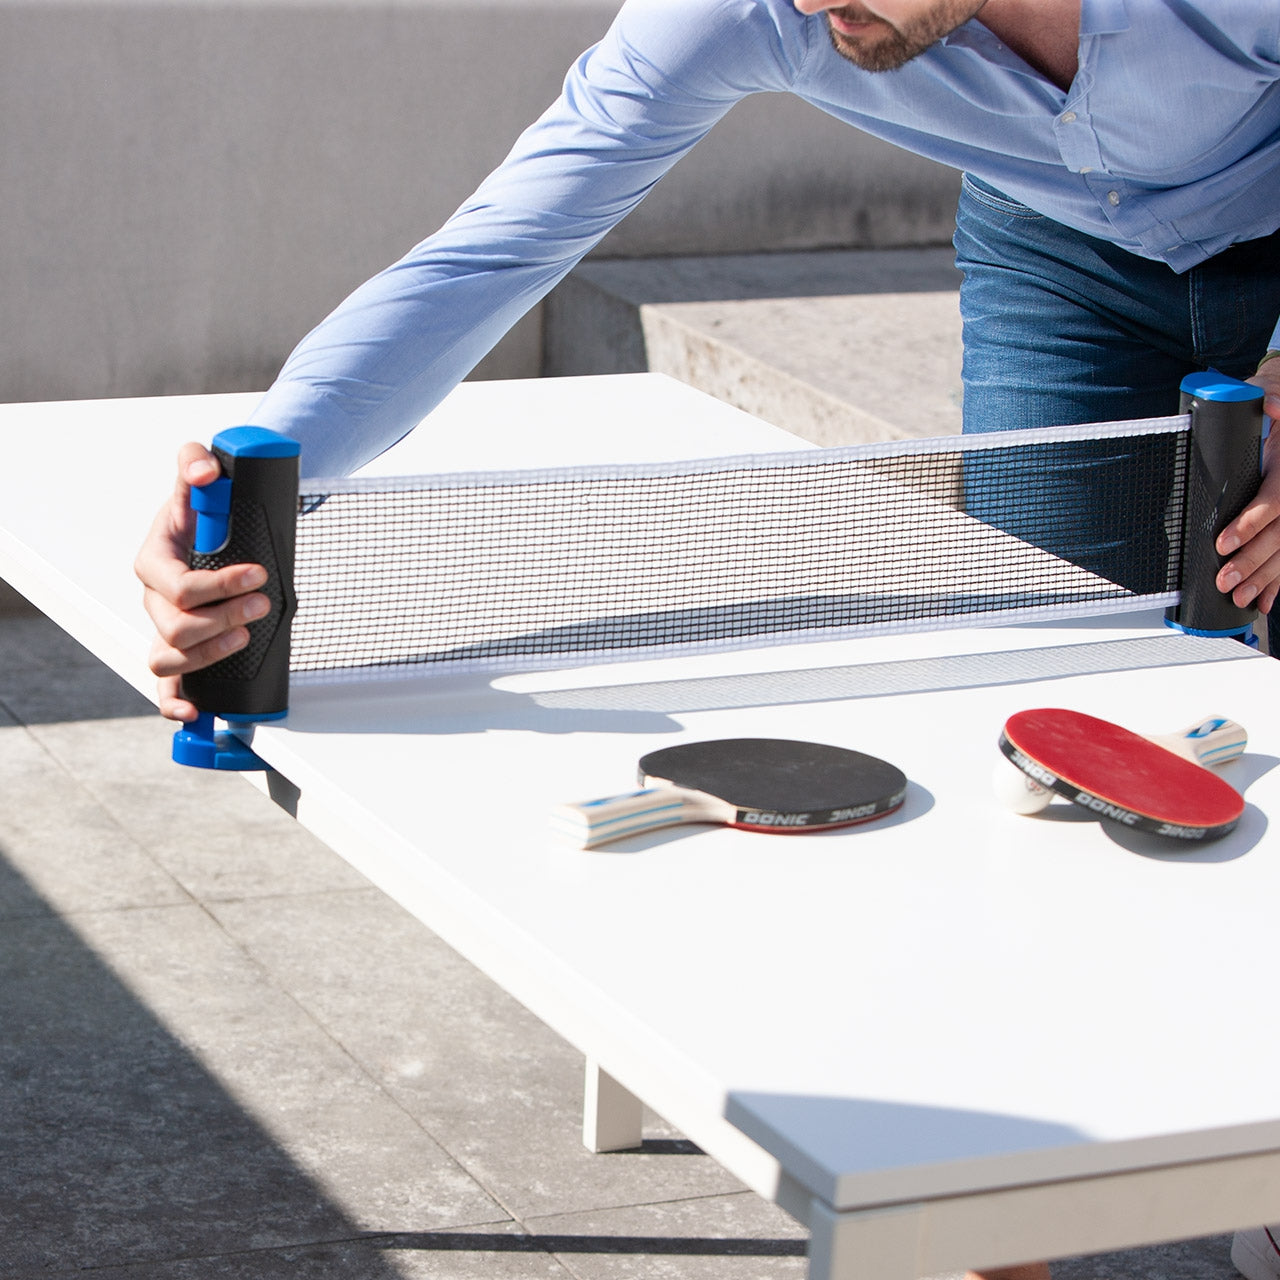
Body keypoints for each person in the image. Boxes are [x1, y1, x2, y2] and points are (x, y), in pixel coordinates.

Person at [135, 6, 1280, 1274]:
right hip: (1059, 255)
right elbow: (493, 249)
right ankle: (991, 1220)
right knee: (1048, 713)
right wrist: (256, 494)